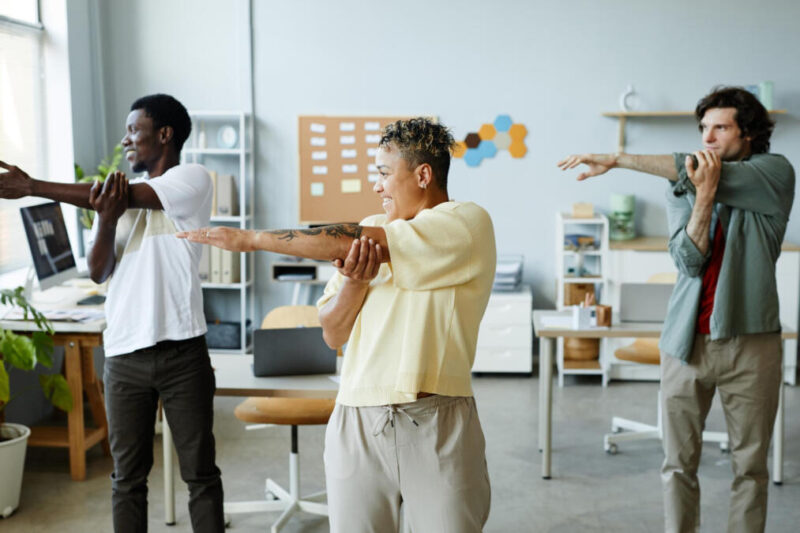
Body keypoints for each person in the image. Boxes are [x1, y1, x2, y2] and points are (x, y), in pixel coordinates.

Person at [179, 117, 495, 532]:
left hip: (436, 421)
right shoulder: (372, 232)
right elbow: (332, 332)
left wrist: (251, 239)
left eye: (384, 174)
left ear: (422, 174)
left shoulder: (466, 223)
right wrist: (353, 282)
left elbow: (350, 241)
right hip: (357, 422)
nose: (376, 185)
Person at [557, 86, 795, 533]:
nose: (708, 137)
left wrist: (617, 159)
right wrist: (702, 200)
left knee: (751, 467)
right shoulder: (682, 188)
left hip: (752, 345)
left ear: (747, 135)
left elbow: (701, 170)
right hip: (684, 344)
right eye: (703, 128)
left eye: (720, 127)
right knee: (678, 465)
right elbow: (687, 261)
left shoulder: (774, 173)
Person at [0, 93, 224, 533]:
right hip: (124, 357)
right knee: (126, 480)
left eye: (134, 131)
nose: (125, 141)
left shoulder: (191, 179)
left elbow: (132, 197)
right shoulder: (115, 199)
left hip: (183, 355)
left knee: (200, 474)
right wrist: (104, 218)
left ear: (164, 134)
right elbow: (100, 271)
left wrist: (32, 187)